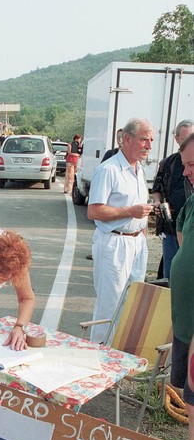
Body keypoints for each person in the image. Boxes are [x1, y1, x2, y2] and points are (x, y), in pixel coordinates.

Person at [87, 118, 154, 343]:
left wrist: (141, 232)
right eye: (144, 139)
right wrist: (130, 211)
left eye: (151, 140)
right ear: (127, 139)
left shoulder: (139, 171)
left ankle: (119, 352)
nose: (149, 145)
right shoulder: (109, 170)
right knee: (109, 304)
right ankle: (99, 352)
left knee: (131, 301)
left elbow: (139, 211)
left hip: (137, 243)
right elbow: (94, 212)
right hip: (114, 243)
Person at [166, 132, 194, 440]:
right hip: (186, 322)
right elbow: (182, 241)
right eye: (186, 164)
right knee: (189, 399)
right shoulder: (192, 200)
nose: (187, 173)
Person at [151, 119, 194, 280]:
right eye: (185, 138)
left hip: (190, 227)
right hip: (171, 226)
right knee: (171, 271)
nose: (187, 172)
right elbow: (157, 190)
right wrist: (158, 203)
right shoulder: (168, 163)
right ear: (176, 139)